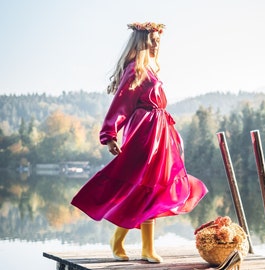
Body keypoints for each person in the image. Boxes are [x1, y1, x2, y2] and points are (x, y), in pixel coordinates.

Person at [71, 22, 208, 264]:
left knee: (154, 188)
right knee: (141, 186)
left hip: (160, 132)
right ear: (142, 42)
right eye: (153, 39)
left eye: (159, 39)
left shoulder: (152, 70)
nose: (157, 43)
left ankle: (147, 248)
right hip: (144, 133)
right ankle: (118, 239)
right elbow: (121, 104)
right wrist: (110, 134)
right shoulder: (135, 69)